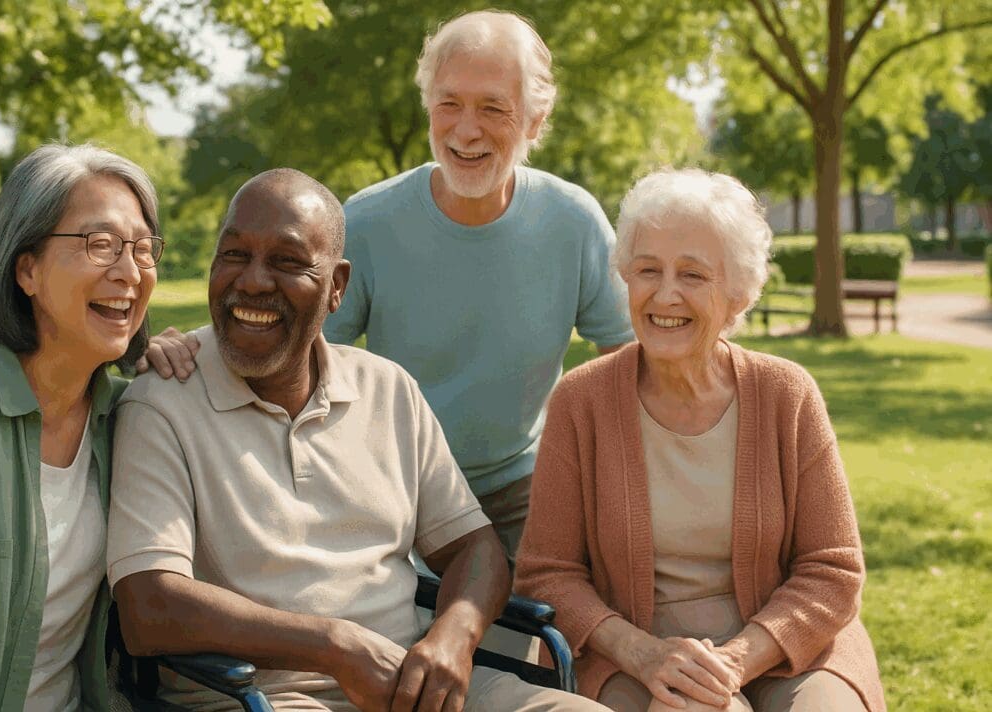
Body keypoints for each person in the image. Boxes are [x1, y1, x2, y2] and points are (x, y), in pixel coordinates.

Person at [106, 168, 608, 712]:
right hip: (266, 699)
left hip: (414, 688)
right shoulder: (163, 402)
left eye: (287, 262)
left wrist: (453, 638)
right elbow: (149, 606)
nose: (252, 282)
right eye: (234, 255)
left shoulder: (387, 389)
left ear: (337, 287)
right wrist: (334, 647)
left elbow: (474, 547)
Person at [514, 168, 886, 712]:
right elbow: (547, 573)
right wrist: (644, 654)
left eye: (692, 274)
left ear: (737, 294)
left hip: (788, 648)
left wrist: (735, 660)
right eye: (648, 270)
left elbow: (832, 569)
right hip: (635, 657)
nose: (666, 294)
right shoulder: (581, 400)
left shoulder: (787, 394)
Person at [324, 11, 633, 562]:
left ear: (535, 120)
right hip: (396, 486)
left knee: (561, 609)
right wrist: (192, 353)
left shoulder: (574, 221)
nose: (466, 131)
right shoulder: (366, 222)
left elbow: (628, 356)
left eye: (493, 108)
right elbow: (303, 355)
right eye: (449, 104)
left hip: (525, 489)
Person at [0, 144, 170, 711]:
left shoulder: (130, 415)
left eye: (142, 248)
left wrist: (182, 373)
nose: (130, 272)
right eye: (100, 244)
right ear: (27, 269)